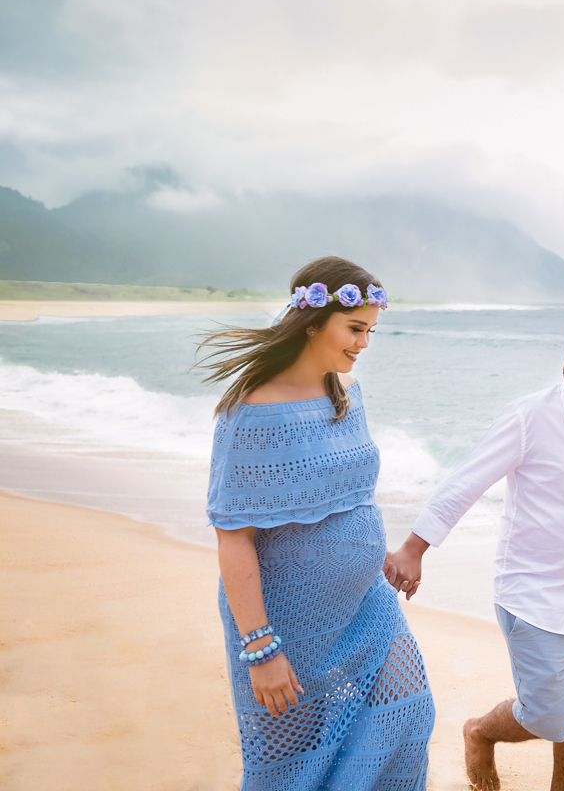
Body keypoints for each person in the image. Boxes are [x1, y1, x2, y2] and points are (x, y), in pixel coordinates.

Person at [383, 314, 564, 791]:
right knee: (544, 718)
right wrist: (414, 547)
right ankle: (478, 732)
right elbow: (465, 482)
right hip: (532, 596)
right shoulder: (528, 417)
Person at [200, 256, 434, 790]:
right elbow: (234, 537)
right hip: (286, 620)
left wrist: (379, 555)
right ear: (311, 322)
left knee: (408, 713)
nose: (364, 344)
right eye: (355, 328)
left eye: (371, 331)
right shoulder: (250, 412)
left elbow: (346, 498)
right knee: (295, 763)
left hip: (367, 603)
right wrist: (260, 647)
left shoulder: (344, 394)